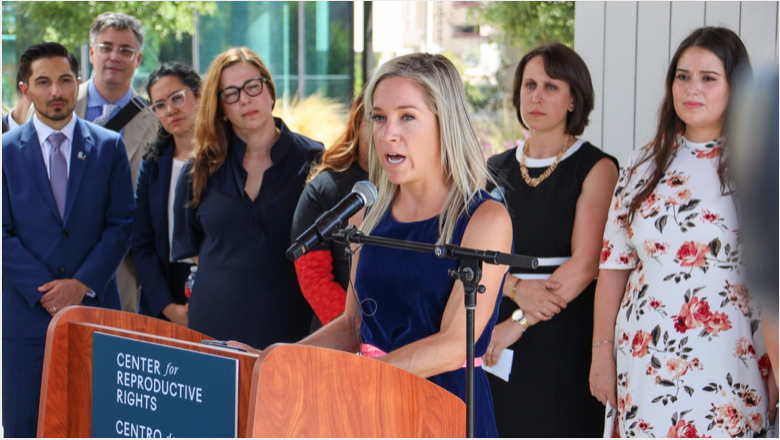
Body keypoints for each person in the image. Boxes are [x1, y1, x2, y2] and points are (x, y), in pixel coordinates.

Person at [233, 53, 513, 437]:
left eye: (407, 117)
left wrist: (359, 378)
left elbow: (454, 343)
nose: (387, 134)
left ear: (445, 123)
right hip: (367, 406)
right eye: (379, 117)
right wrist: (278, 359)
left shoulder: (485, 219)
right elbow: (352, 325)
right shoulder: (367, 214)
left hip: (441, 409)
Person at [590, 27, 773, 437]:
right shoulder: (642, 164)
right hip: (646, 355)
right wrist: (601, 352)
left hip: (733, 357)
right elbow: (614, 265)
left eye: (708, 77)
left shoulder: (761, 163)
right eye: (682, 76)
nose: (692, 88)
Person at [483, 43, 619, 438]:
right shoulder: (495, 168)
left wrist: (519, 322)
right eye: (529, 85)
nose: (536, 96)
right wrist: (513, 289)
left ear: (574, 98)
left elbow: (587, 262)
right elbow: (474, 251)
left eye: (551, 86)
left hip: (564, 330)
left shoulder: (596, 167)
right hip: (498, 322)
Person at [2, 42, 133, 438]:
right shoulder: (4, 153)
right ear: (26, 89)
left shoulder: (109, 147)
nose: (56, 92)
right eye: (43, 82)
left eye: (64, 80)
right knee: (27, 424)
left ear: (78, 82)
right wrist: (45, 291)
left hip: (95, 312)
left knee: (95, 423)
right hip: (26, 319)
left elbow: (121, 223)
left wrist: (80, 285)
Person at [172, 47, 322, 349]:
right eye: (231, 93)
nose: (245, 99)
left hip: (293, 333)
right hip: (214, 328)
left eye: (252, 86)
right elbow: (195, 249)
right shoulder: (198, 169)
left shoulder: (315, 160)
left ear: (269, 90)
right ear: (221, 107)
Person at [78, 12, 158, 312]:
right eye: (105, 47)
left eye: (125, 50)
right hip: (55, 265)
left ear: (138, 60)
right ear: (91, 53)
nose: (114, 56)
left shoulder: (156, 123)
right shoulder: (54, 107)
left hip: (123, 268)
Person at [291, 90, 369, 330]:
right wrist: (360, 331)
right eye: (377, 117)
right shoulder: (324, 189)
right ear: (357, 122)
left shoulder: (420, 188)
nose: (387, 131)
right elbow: (314, 279)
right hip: (343, 338)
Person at [132, 62, 200, 325]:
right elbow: (142, 242)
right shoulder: (153, 163)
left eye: (177, 98)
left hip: (215, 286)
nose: (170, 109)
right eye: (159, 104)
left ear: (199, 95)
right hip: (162, 292)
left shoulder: (227, 158)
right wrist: (167, 307)